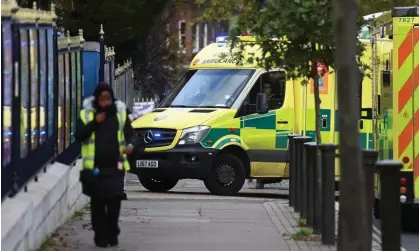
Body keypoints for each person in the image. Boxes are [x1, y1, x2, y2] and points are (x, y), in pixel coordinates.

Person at [75, 82, 136, 247]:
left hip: (115, 166)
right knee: (98, 204)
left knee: (115, 201)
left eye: (107, 99)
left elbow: (130, 134)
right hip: (95, 169)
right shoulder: (86, 114)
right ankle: (100, 235)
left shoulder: (120, 113)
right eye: (101, 100)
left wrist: (130, 145)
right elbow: (79, 135)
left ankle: (112, 231)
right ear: (96, 100)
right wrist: (95, 122)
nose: (105, 103)